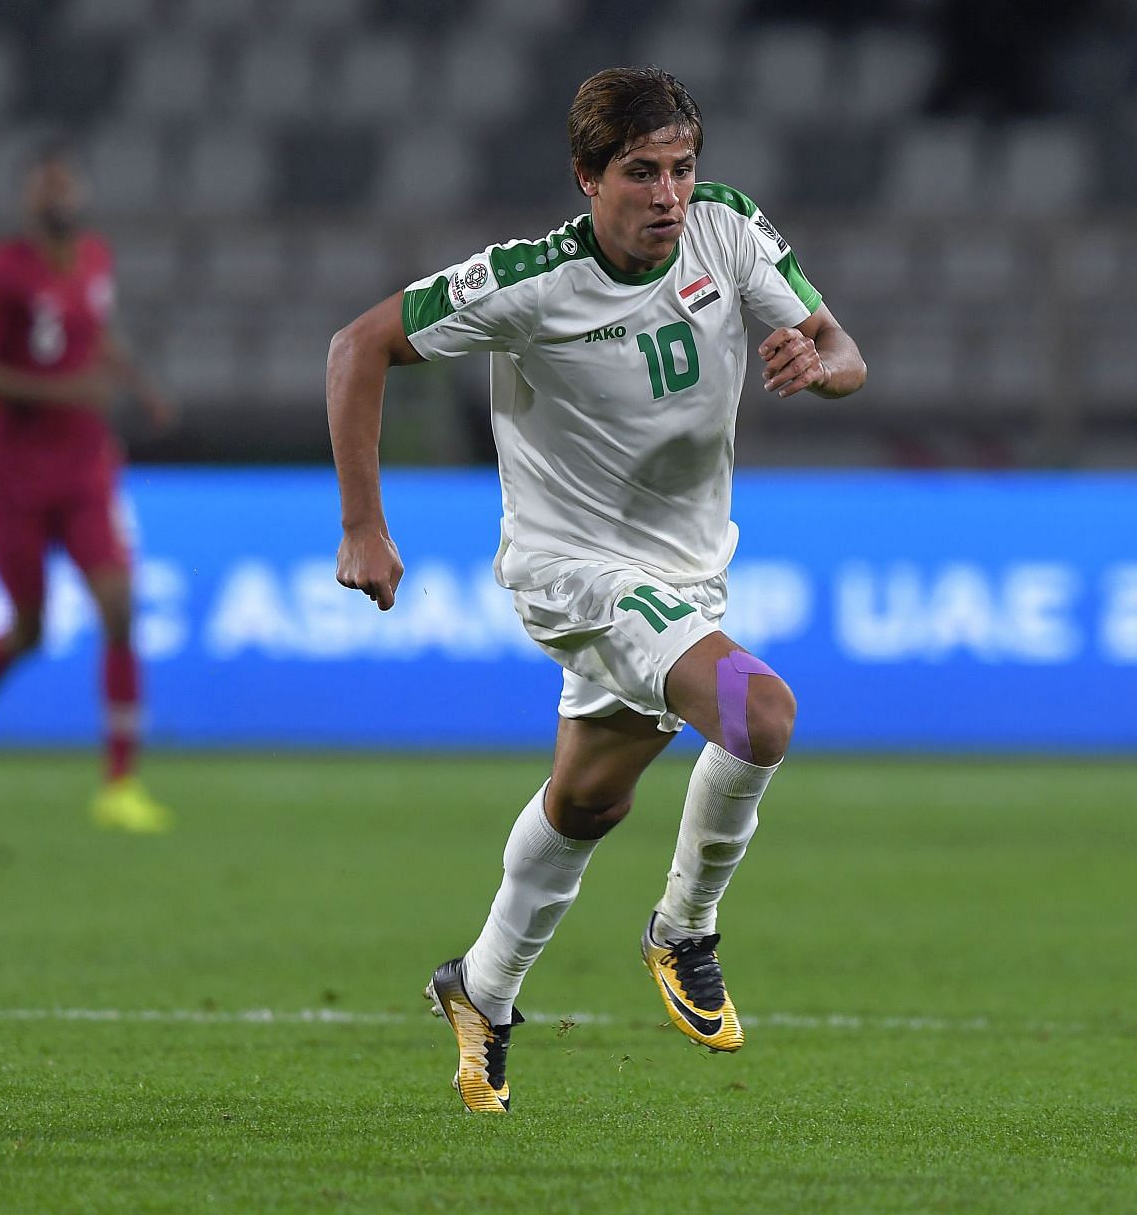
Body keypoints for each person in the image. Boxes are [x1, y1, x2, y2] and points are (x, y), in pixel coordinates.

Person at [327, 68, 866, 1112]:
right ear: (587, 178)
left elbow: (844, 350)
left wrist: (817, 358)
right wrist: (363, 525)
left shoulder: (728, 230)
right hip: (570, 569)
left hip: (684, 573)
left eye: (682, 168)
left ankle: (480, 988)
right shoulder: (525, 281)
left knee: (588, 799)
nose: (668, 194)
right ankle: (684, 927)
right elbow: (360, 347)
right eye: (640, 173)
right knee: (761, 709)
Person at [0, 141, 177, 833]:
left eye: (66, 187)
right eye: (47, 189)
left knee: (119, 605)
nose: (59, 199)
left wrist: (142, 387)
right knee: (32, 627)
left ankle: (120, 782)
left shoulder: (97, 259)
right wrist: (59, 391)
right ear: (28, 202)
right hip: (8, 473)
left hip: (82, 467)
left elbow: (94, 333)